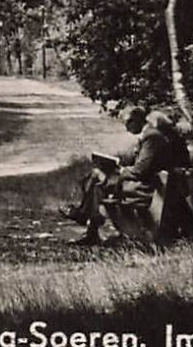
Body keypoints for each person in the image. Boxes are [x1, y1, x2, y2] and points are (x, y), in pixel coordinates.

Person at [60, 105, 182, 246]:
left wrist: (121, 170)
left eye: (128, 122)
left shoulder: (152, 137)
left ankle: (85, 218)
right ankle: (89, 228)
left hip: (146, 188)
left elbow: (140, 170)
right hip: (148, 184)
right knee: (97, 184)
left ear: (137, 120)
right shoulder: (150, 135)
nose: (126, 127)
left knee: (96, 177)